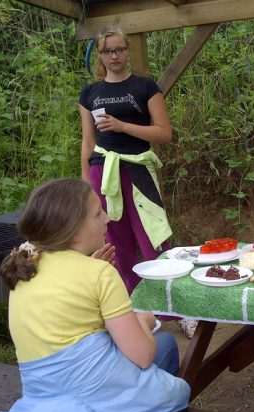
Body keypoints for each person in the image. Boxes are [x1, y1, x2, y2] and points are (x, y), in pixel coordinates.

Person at [0, 179, 190, 412]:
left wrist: (90, 266)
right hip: (95, 397)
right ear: (74, 231)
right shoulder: (99, 273)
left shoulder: (26, 267)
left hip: (45, 404)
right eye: (98, 213)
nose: (107, 218)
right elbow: (143, 356)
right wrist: (143, 321)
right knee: (165, 345)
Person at [79, 27, 173, 294]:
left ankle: (170, 306)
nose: (114, 56)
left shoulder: (145, 86)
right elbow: (87, 142)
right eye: (107, 51)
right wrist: (85, 184)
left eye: (119, 49)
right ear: (99, 55)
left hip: (138, 168)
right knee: (113, 240)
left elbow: (164, 133)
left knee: (153, 235)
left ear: (127, 51)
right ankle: (129, 304)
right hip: (103, 169)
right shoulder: (90, 93)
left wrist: (122, 126)